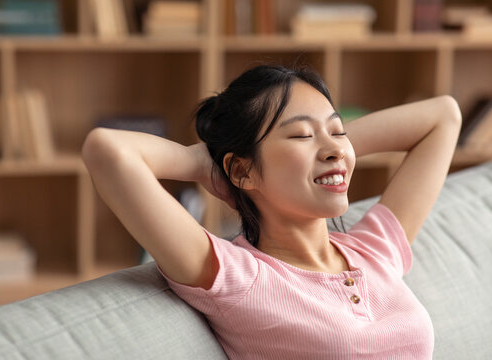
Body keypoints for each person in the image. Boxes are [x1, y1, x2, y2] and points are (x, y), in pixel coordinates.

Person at [82, 64, 462, 359]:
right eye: (300, 135)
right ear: (242, 170)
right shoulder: (239, 278)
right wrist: (205, 162)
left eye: (339, 130)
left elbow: (444, 116)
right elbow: (108, 150)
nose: (335, 147)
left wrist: (331, 151)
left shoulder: (375, 251)